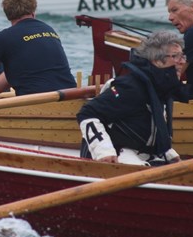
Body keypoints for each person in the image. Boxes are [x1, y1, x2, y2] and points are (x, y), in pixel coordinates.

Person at [76, 31, 186, 165]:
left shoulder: (161, 87)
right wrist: (104, 152)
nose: (182, 61)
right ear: (156, 60)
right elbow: (88, 113)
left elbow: (155, 127)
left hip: (142, 154)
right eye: (175, 56)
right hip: (118, 152)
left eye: (182, 56)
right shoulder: (129, 87)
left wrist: (169, 153)